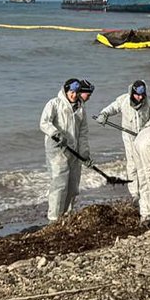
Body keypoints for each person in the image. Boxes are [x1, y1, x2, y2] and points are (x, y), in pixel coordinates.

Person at [95, 80, 150, 213]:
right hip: (129, 138)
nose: (140, 98)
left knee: (144, 164)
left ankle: (146, 191)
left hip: (144, 137)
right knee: (132, 165)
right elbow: (111, 108)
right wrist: (103, 114)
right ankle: (135, 194)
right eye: (137, 95)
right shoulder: (123, 100)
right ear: (132, 93)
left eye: (142, 95)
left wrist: (144, 129)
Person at [39, 79, 91, 222]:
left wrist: (84, 152)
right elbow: (44, 123)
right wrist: (56, 134)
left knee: (73, 185)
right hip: (56, 150)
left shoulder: (80, 107)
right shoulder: (54, 103)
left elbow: (83, 131)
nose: (74, 95)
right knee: (60, 184)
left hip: (74, 150)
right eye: (71, 92)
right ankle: (54, 219)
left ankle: (67, 216)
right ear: (66, 91)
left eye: (76, 92)